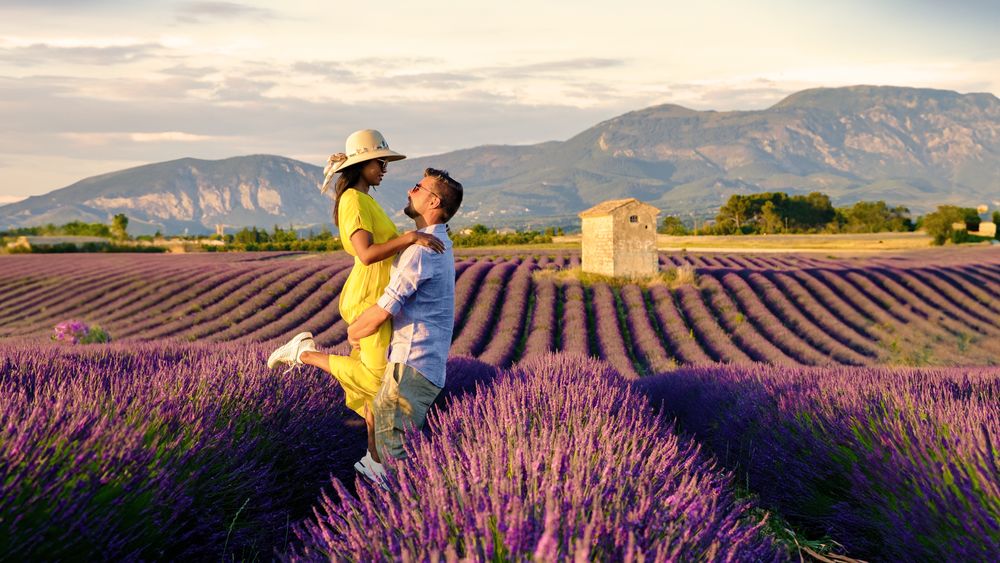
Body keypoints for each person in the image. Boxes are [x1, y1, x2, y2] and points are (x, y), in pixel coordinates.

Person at [267, 129, 444, 472]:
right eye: (379, 161)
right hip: (367, 296)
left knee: (371, 395)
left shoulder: (366, 199)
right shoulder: (352, 200)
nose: (384, 168)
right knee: (378, 381)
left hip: (376, 293)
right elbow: (365, 254)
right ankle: (303, 353)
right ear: (361, 163)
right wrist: (410, 237)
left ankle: (374, 462)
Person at [346, 167, 463, 482]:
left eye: (417, 187)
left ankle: (400, 522)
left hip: (411, 367)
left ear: (433, 202)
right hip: (422, 368)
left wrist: (354, 331)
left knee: (393, 464)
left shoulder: (421, 251)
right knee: (388, 456)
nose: (410, 192)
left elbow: (386, 307)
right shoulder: (438, 243)